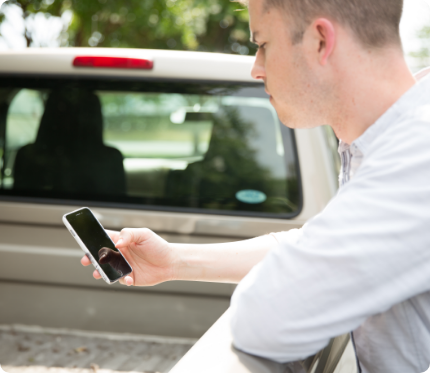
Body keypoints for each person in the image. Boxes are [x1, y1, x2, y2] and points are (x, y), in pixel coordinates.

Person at [81, 0, 430, 372]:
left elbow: (264, 319)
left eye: (262, 44)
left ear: (320, 41)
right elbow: (317, 244)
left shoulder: (417, 160)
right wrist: (175, 261)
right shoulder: (390, 145)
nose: (255, 68)